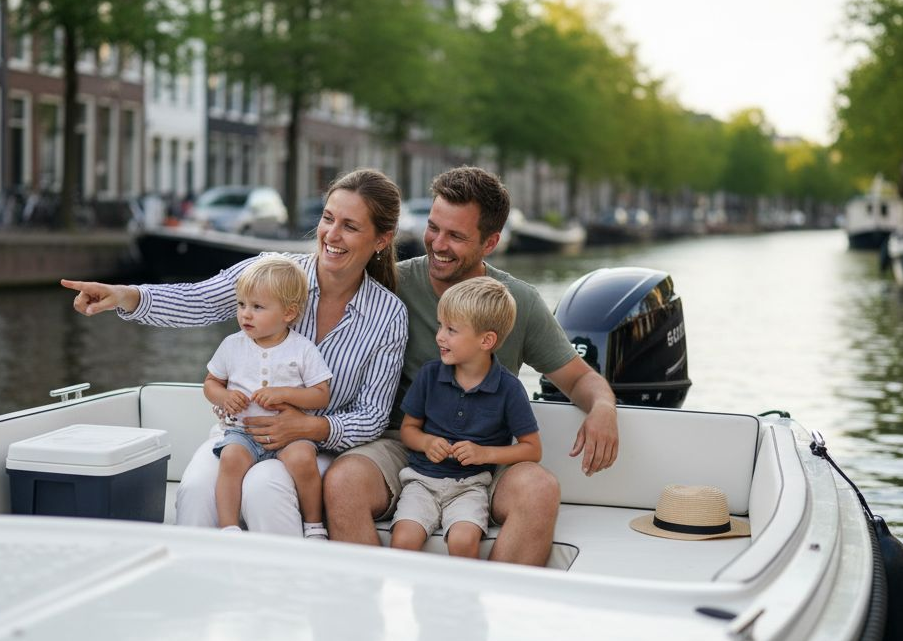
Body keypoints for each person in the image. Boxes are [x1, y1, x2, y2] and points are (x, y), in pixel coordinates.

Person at [61, 168, 408, 535]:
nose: (331, 235)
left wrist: (311, 426)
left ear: (381, 240)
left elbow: (372, 416)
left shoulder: (388, 315)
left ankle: (285, 588)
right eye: (327, 218)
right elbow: (201, 301)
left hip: (314, 448)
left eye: (350, 227)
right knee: (195, 490)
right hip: (239, 434)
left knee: (264, 489)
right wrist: (125, 296)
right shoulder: (274, 272)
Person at [324, 166, 620, 566]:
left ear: (491, 242)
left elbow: (579, 378)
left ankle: (491, 614)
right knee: (343, 480)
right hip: (403, 444)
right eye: (433, 227)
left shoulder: (518, 302)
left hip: (485, 454)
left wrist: (603, 408)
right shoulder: (392, 281)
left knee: (540, 490)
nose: (437, 244)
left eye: (456, 236)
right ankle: (364, 610)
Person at [392, 277, 541, 558]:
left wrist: (484, 453)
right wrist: (425, 443)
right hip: (421, 481)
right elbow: (409, 430)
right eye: (440, 325)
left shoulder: (509, 389)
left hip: (471, 486)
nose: (439, 336)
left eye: (451, 330)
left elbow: (532, 449)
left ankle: (461, 601)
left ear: (486, 340)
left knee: (463, 541)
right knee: (403, 540)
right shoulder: (429, 374)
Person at [204, 257, 333, 538]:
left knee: (302, 459)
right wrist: (224, 396)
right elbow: (211, 383)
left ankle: (314, 525)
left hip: (290, 436)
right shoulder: (232, 345)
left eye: (257, 307)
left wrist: (285, 394)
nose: (245, 314)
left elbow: (321, 395)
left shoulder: (302, 349)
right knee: (230, 459)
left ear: (288, 313)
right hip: (243, 432)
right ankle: (228, 527)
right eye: (241, 305)